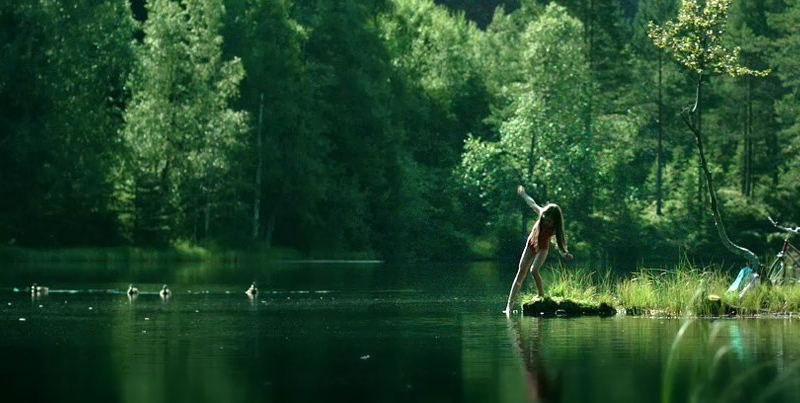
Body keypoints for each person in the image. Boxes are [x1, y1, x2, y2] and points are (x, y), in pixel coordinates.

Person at [504, 185, 572, 315]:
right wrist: (523, 194)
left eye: (549, 222)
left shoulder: (556, 228)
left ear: (555, 221)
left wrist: (564, 253)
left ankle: (540, 294)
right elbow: (532, 203)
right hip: (531, 244)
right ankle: (509, 306)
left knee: (534, 270)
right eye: (545, 220)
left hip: (542, 248)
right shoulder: (542, 213)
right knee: (521, 273)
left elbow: (560, 244)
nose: (546, 223)